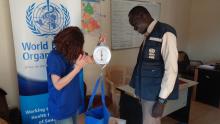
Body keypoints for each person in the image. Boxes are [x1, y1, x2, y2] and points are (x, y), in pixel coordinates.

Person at [128, 6, 179, 124]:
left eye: (135, 24)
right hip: (146, 93)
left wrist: (161, 101)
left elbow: (171, 69)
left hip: (154, 95)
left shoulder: (166, 33)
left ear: (143, 16)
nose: (135, 29)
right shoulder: (148, 35)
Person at [47, 26, 96, 124]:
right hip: (61, 107)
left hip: (73, 103)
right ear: (69, 44)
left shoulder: (75, 53)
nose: (80, 49)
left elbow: (91, 59)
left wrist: (100, 46)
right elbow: (58, 85)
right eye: (78, 46)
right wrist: (77, 68)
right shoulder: (54, 57)